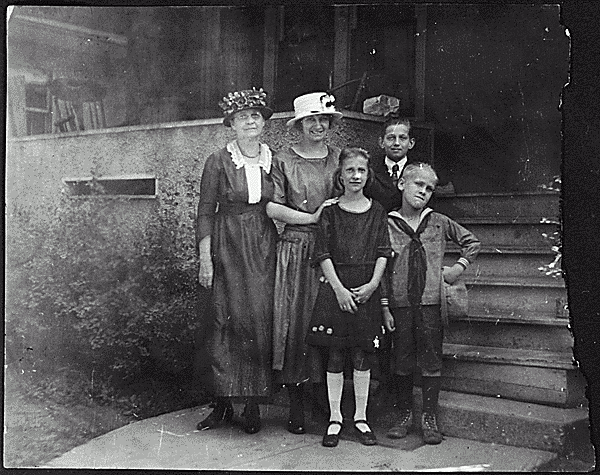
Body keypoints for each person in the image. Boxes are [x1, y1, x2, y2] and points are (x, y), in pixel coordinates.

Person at [195, 88, 278, 435]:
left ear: (263, 124)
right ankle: (223, 404)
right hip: (226, 244)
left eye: (255, 116)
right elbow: (204, 211)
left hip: (261, 243)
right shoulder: (218, 159)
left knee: (257, 320)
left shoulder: (273, 158)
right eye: (243, 116)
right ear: (231, 123)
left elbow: (279, 202)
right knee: (223, 320)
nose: (250, 121)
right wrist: (205, 258)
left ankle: (254, 405)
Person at [381, 162, 480, 445]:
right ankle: (403, 414)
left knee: (430, 359)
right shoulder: (387, 223)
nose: (423, 192)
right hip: (399, 304)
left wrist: (457, 268)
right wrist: (385, 306)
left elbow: (471, 242)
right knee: (400, 360)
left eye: (429, 189)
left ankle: (428, 416)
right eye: (418, 185)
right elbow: (382, 267)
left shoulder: (438, 220)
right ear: (401, 184)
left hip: (430, 304)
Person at [306, 147, 392, 448]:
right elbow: (323, 253)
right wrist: (339, 290)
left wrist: (372, 285)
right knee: (336, 354)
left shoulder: (377, 211)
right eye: (350, 171)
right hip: (336, 290)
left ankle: (360, 417)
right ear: (340, 176)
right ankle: (335, 418)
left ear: (368, 175)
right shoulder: (330, 212)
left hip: (365, 290)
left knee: (362, 354)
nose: (356, 176)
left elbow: (384, 251)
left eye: (361, 170)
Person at [267, 92, 342, 435]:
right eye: (310, 120)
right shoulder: (284, 160)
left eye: (323, 119)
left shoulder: (340, 159)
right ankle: (298, 402)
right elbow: (272, 207)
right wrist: (311, 217)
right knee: (298, 323)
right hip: (298, 248)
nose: (317, 125)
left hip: (335, 250)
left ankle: (329, 404)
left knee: (331, 322)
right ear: (299, 125)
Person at [365, 114, 415, 213]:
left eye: (402, 138)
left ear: (411, 143)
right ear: (381, 142)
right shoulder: (370, 171)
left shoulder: (418, 171)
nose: (396, 143)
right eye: (391, 138)